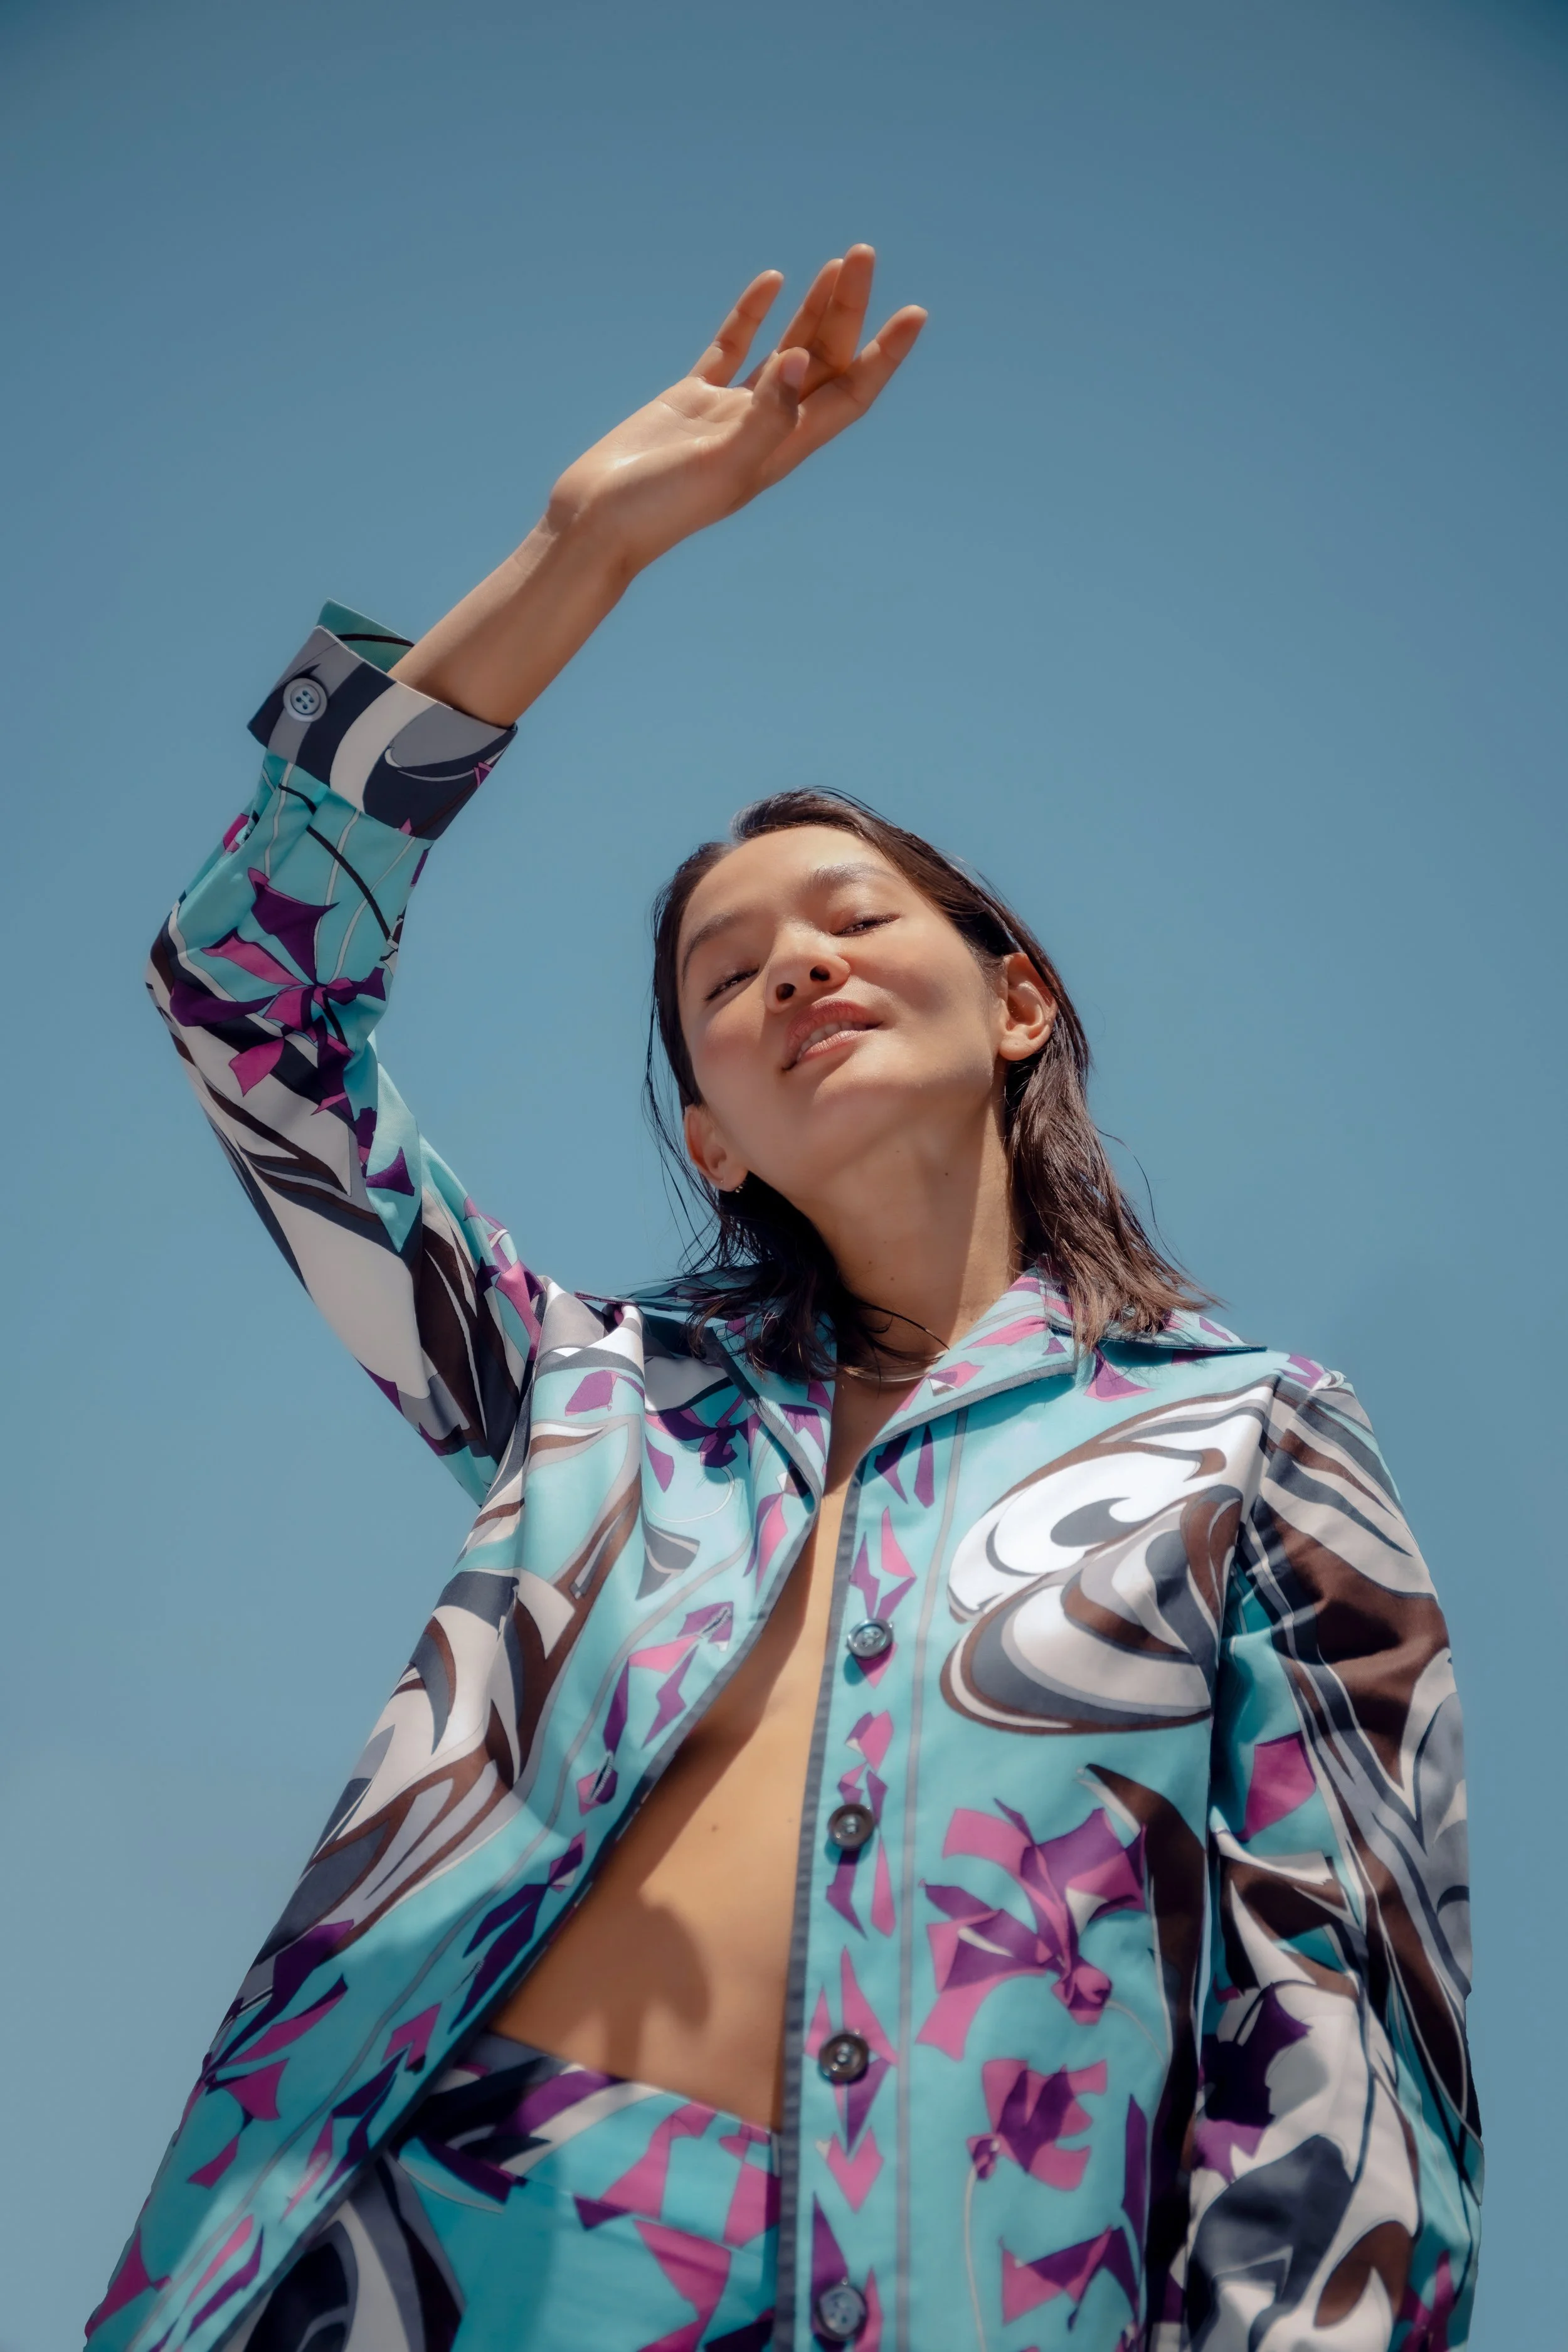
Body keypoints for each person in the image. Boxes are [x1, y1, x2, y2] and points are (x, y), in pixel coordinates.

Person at [89, 248, 1480, 2352]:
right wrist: (581, 551)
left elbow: (1343, 2055)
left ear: (1017, 998)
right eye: (724, 982)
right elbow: (251, 1013)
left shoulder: (1249, 1432)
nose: (794, 969)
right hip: (411, 2252)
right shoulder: (582, 1394)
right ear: (713, 1132)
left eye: (851, 917)